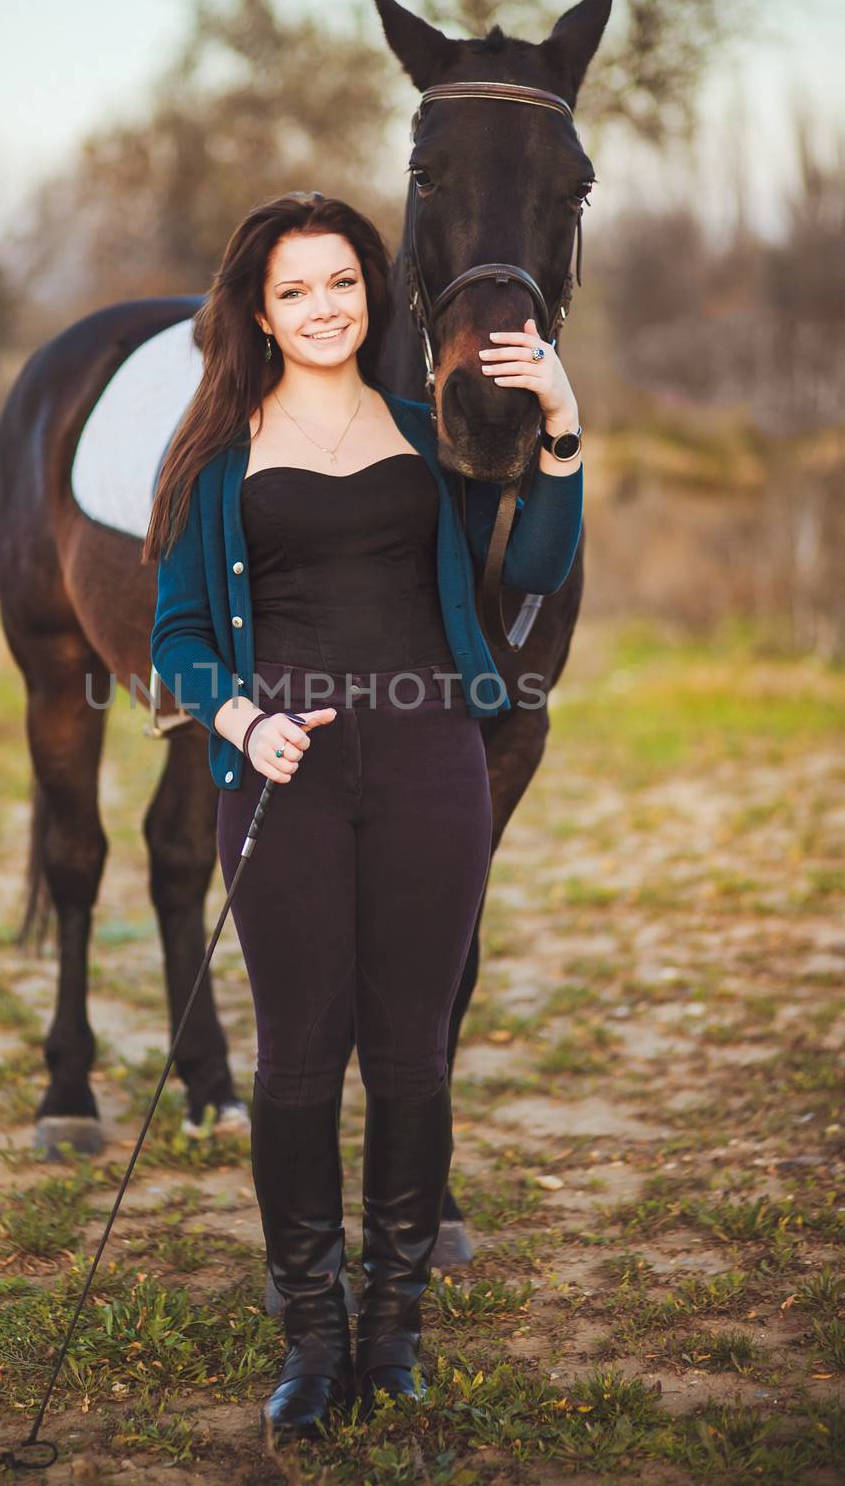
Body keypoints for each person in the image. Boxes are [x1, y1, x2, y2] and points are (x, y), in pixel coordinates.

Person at [144, 192, 583, 1441]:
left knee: (408, 1052)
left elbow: (535, 565)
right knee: (293, 1061)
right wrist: (241, 724)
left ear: (371, 291)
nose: (324, 306)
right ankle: (310, 1338)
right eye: (295, 290)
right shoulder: (216, 457)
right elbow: (180, 635)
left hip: (429, 766)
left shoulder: (422, 429)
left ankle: (391, 1333)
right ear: (260, 313)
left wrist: (559, 423)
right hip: (281, 781)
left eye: (341, 282)